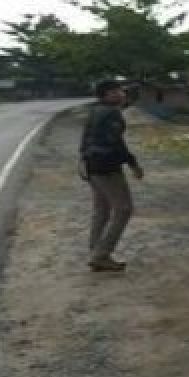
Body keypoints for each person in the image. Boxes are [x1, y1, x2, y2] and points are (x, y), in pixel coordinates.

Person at [78, 80, 144, 272]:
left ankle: (95, 252)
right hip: (107, 167)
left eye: (121, 90)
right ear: (107, 95)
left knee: (102, 210)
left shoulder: (95, 111)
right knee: (123, 209)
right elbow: (116, 143)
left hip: (91, 165)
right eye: (116, 91)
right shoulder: (111, 114)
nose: (121, 94)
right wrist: (133, 164)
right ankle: (101, 255)